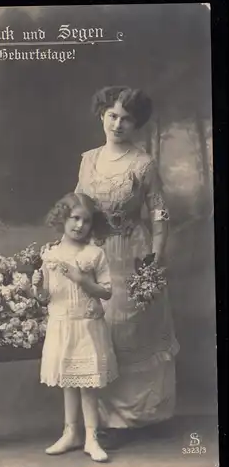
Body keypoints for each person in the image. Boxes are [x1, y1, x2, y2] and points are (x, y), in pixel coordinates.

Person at [74, 86, 180, 444]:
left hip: (132, 253)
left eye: (127, 118)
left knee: (130, 329)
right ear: (102, 115)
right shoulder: (88, 159)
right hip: (95, 252)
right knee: (98, 329)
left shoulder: (143, 163)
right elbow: (78, 206)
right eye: (112, 116)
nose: (118, 124)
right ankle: (102, 420)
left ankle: (136, 417)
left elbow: (160, 211)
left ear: (137, 124)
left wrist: (156, 254)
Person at [32, 192, 118, 462]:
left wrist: (82, 279)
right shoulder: (50, 254)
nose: (80, 226)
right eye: (74, 218)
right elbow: (46, 297)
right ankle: (71, 433)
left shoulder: (94, 254)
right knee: (68, 381)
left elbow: (106, 292)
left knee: (87, 385)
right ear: (62, 218)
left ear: (94, 226)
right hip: (62, 325)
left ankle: (91, 437)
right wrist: (36, 287)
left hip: (86, 327)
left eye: (87, 221)